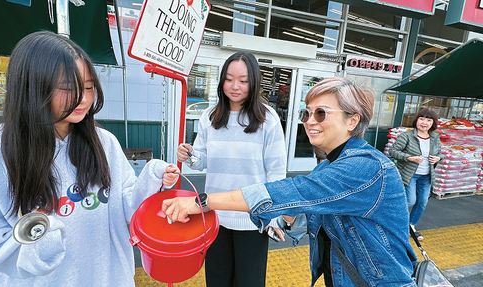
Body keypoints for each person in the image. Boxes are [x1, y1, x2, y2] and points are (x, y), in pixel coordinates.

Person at [0, 31, 179, 287]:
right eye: (68, 89)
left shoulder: (104, 143)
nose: (84, 99)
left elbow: (125, 209)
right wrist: (33, 247)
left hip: (108, 278)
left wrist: (151, 180)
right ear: (33, 88)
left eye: (88, 86)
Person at [166, 77, 417, 286]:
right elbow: (309, 214)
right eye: (305, 113)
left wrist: (204, 201)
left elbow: (295, 190)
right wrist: (282, 217)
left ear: (353, 120)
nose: (309, 121)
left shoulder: (365, 166)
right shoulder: (329, 166)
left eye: (321, 113)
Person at [177, 51, 287, 287]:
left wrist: (274, 216)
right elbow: (202, 160)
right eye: (229, 79)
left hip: (254, 220)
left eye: (243, 80)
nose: (235, 86)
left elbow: (277, 173)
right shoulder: (209, 116)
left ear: (254, 82)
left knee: (249, 282)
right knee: (216, 280)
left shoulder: (268, 119)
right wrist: (189, 156)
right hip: (214, 216)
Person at [389, 108, 442, 241]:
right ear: (416, 120)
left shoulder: (435, 138)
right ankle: (398, 225)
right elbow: (393, 151)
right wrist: (409, 158)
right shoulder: (407, 136)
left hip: (426, 175)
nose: (424, 122)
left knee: (422, 202)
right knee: (410, 200)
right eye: (421, 119)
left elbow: (440, 153)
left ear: (433, 123)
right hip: (410, 174)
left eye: (429, 120)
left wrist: (438, 158)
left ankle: (411, 226)